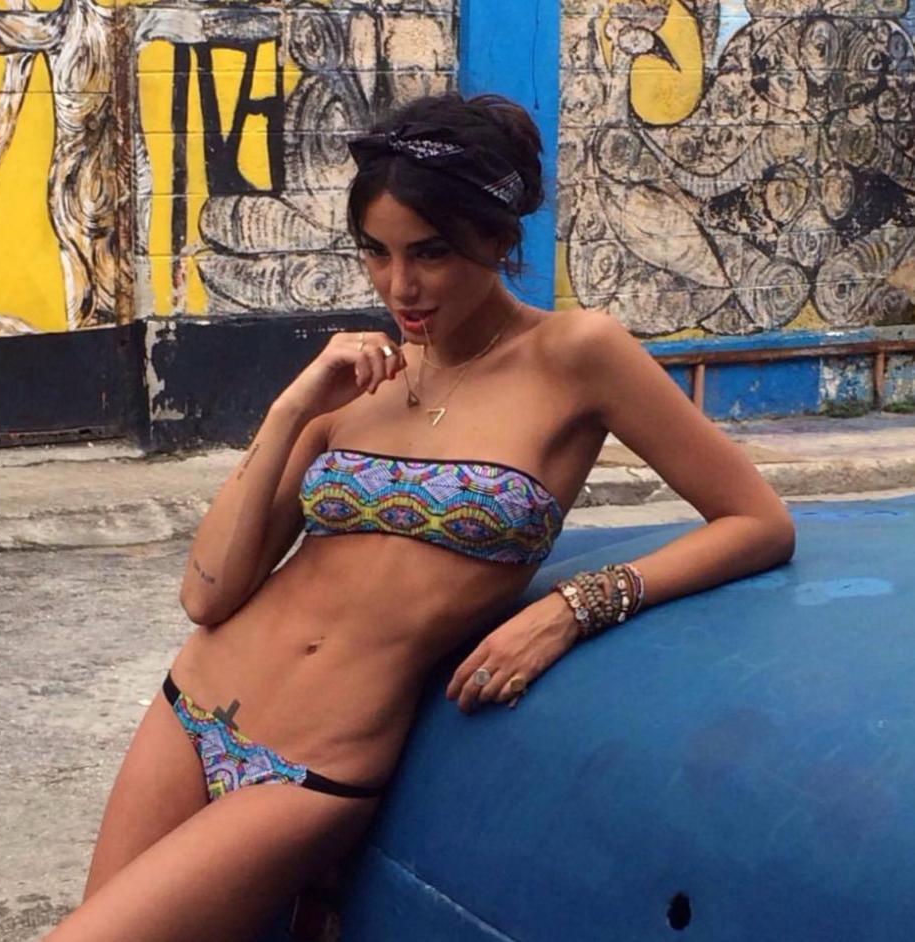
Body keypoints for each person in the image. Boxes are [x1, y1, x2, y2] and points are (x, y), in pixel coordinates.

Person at [46, 92, 795, 941]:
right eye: (377, 252)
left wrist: (571, 609)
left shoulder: (577, 355)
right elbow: (207, 595)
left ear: (499, 237)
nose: (400, 286)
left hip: (315, 767)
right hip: (194, 705)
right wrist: (292, 409)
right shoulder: (359, 380)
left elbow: (756, 521)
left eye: (431, 252)